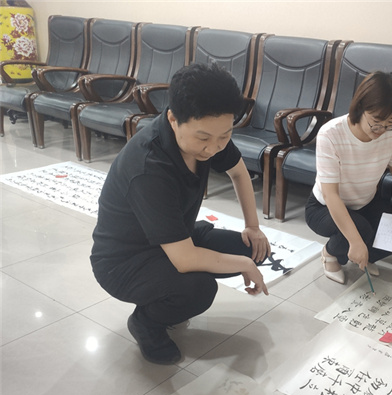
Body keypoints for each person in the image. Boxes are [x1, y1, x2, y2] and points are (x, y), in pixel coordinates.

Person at [90, 63, 271, 365]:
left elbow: (239, 173)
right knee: (199, 290)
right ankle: (146, 323)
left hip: (175, 238)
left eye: (225, 136)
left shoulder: (210, 133)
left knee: (253, 248)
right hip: (125, 261)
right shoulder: (149, 167)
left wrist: (253, 227)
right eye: (203, 138)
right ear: (173, 119)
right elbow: (185, 259)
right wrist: (243, 265)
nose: (213, 148)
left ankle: (168, 296)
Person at [305, 71, 392, 284]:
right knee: (360, 231)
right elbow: (331, 195)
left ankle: (365, 254)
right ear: (361, 107)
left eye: (389, 123)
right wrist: (355, 241)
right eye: (376, 121)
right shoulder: (331, 134)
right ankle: (330, 253)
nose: (381, 130)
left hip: (365, 203)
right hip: (324, 207)